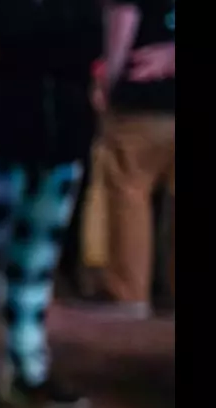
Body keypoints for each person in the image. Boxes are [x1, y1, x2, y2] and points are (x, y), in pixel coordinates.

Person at [0, 0, 101, 408]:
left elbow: (90, 41)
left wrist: (33, 45)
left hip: (59, 140)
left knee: (36, 267)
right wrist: (52, 45)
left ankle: (29, 369)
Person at [88, 0, 175, 318]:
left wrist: (110, 82)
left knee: (129, 193)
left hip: (143, 101)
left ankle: (129, 294)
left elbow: (122, 16)